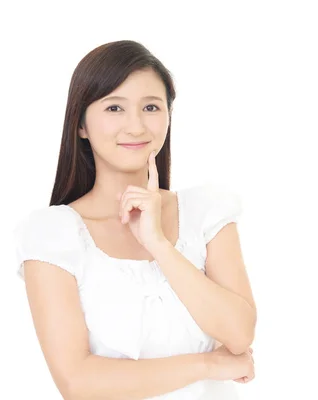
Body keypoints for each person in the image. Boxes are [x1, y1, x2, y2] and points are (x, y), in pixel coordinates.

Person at [13, 40, 257, 400]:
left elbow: (239, 333)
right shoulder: (52, 235)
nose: (136, 126)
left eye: (151, 107)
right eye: (114, 107)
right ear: (80, 124)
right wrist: (208, 364)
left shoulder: (206, 212)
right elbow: (78, 383)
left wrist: (159, 243)